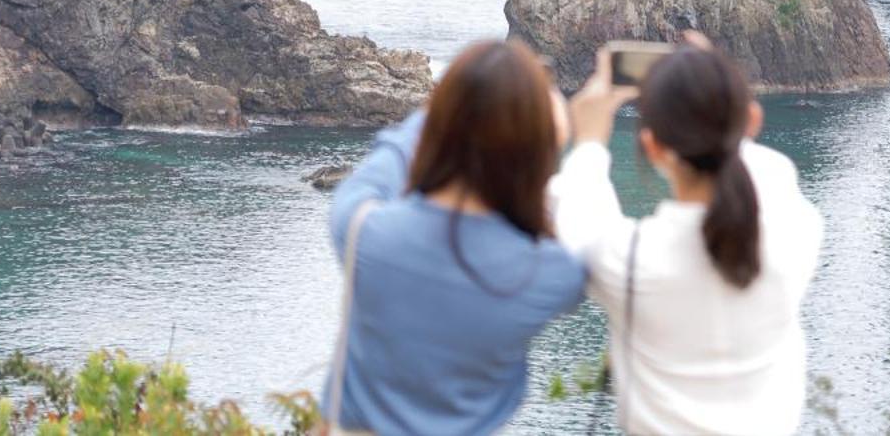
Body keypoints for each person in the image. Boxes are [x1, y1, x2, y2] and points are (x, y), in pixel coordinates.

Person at [550, 39, 824, 436]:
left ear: (653, 147)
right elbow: (763, 168)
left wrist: (590, 139)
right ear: (751, 121)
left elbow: (577, 213)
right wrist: (713, 93)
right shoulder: (795, 232)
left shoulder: (630, 262)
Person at [325, 38, 585, 436]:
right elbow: (586, 233)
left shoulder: (364, 233)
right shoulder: (549, 275)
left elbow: (388, 159)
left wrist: (454, 107)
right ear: (540, 147)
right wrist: (573, 143)